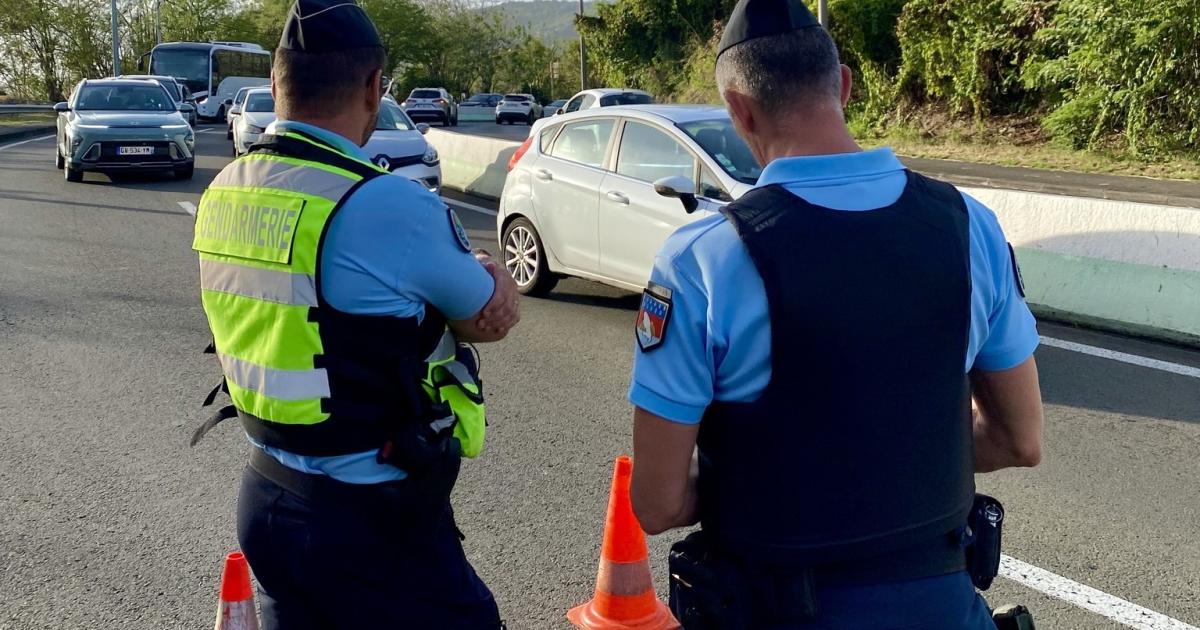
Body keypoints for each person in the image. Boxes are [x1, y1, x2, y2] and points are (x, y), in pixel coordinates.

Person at [626, 0, 1044, 627]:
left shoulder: (702, 258)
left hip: (779, 607)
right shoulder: (967, 227)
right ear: (844, 84)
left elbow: (656, 504)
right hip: (942, 605)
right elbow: (1020, 439)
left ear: (739, 109)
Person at [190, 0, 518, 627]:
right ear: (373, 88)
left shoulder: (225, 188)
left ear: (277, 85)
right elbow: (485, 319)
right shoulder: (385, 203)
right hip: (370, 513)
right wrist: (492, 272)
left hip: (265, 495)